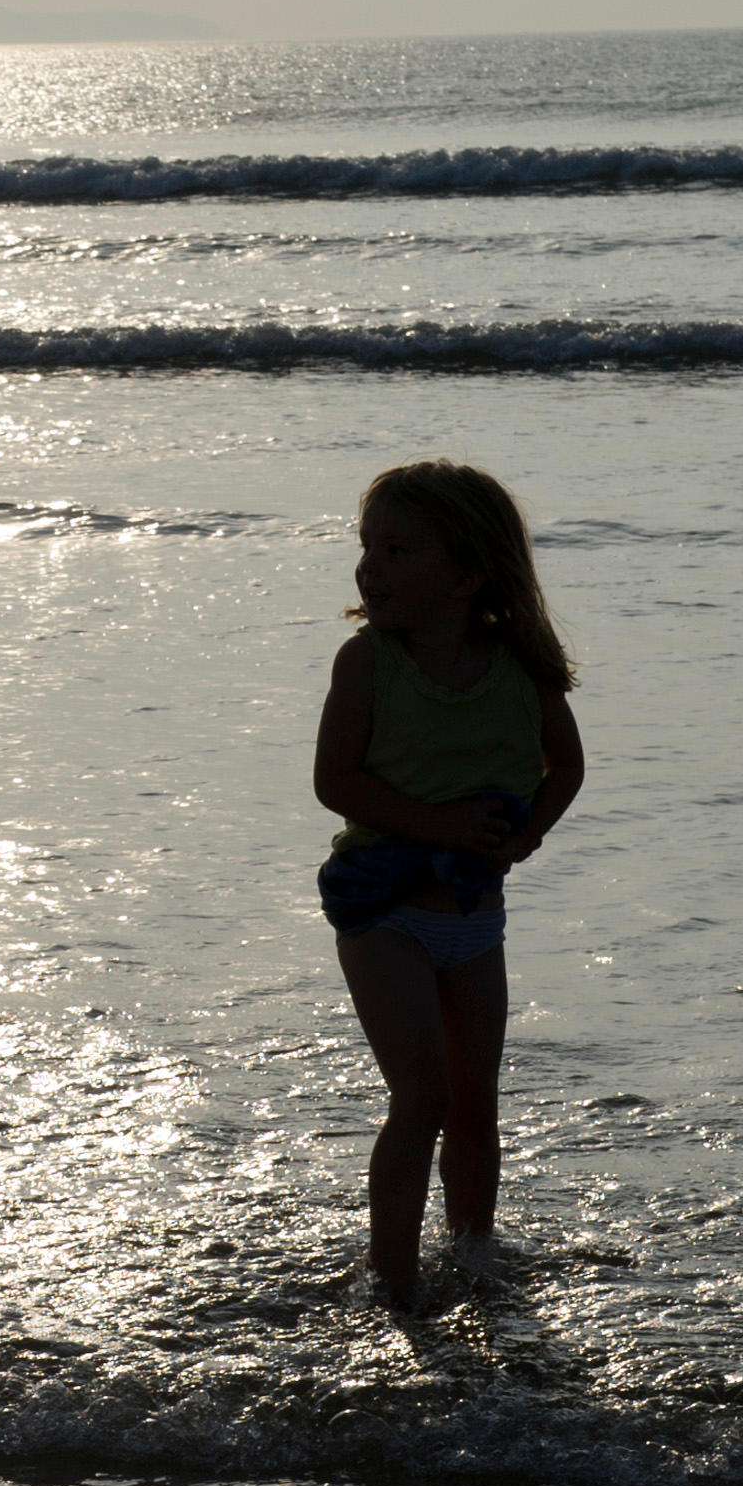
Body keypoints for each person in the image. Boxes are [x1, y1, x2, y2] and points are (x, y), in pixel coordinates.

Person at [311, 459, 587, 1309]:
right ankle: (390, 1282)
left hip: (473, 916)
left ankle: (473, 1255)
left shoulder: (521, 669)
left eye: (398, 549)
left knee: (475, 1105)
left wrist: (525, 834)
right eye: (368, 547)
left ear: (468, 574)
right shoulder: (368, 664)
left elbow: (567, 766)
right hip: (382, 909)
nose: (371, 567)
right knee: (422, 1095)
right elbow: (336, 783)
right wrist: (440, 826)